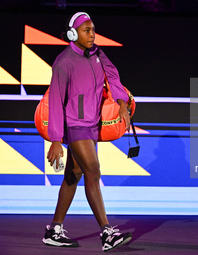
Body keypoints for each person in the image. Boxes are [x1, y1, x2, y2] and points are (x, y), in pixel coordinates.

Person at [41, 12, 132, 252]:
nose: (92, 35)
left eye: (93, 29)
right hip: (74, 124)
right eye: (86, 30)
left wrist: (122, 102)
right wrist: (56, 139)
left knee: (74, 174)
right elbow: (57, 102)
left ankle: (54, 230)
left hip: (92, 123)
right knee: (94, 170)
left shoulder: (98, 54)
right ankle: (107, 233)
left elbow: (112, 75)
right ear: (73, 34)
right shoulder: (63, 62)